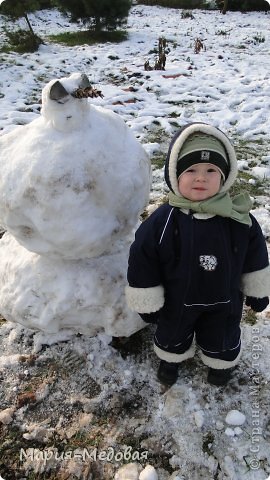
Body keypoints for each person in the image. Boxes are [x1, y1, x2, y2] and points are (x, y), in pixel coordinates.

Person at [125, 122, 270, 387]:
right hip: (177, 300)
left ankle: (220, 362)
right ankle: (171, 359)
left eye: (210, 170)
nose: (200, 177)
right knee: (172, 333)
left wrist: (258, 290)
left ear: (224, 176)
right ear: (174, 175)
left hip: (225, 299)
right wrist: (146, 300)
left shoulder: (238, 219)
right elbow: (143, 258)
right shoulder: (163, 222)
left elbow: (255, 254)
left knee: (223, 334)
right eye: (191, 170)